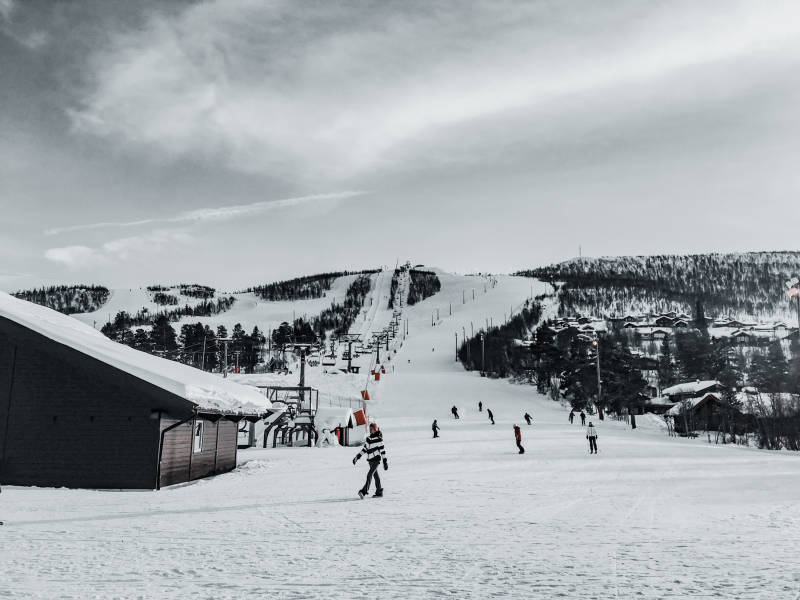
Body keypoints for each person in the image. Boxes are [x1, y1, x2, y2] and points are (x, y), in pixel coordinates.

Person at [353, 422, 388, 498]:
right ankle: (379, 492)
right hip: (370, 461)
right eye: (370, 429)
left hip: (376, 460)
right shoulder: (368, 439)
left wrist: (385, 462)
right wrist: (357, 457)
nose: (370, 430)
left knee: (369, 475)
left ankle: (364, 491)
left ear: (375, 429)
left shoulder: (379, 439)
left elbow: (382, 451)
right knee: (376, 476)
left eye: (372, 429)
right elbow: (364, 449)